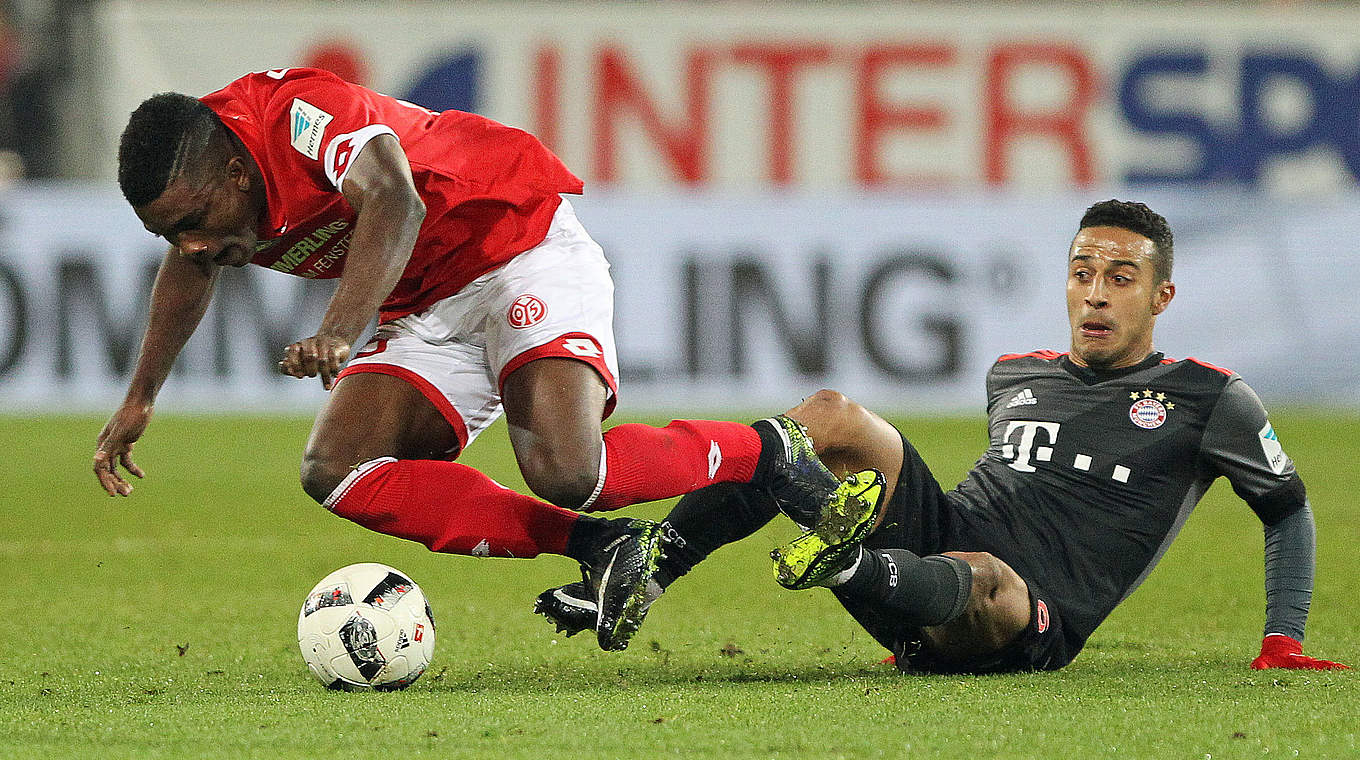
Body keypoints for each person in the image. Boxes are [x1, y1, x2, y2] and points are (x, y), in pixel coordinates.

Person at [90, 66, 872, 652]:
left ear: (232, 170)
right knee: (336, 468)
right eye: (168, 233)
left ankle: (771, 450)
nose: (190, 245)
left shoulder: (296, 114)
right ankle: (599, 548)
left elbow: (395, 198)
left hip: (517, 246)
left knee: (570, 471)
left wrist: (339, 329)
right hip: (429, 304)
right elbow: (189, 272)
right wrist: (140, 397)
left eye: (193, 220)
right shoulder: (206, 220)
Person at [536, 199, 1349, 672]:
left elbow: (1287, 508)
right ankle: (650, 571)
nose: (1095, 295)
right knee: (827, 419)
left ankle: (846, 555)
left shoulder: (1210, 398)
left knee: (983, 573)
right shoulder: (1014, 373)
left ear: (1162, 296)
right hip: (935, 552)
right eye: (1082, 273)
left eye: (1120, 279)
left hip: (1027, 612)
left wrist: (1283, 638)